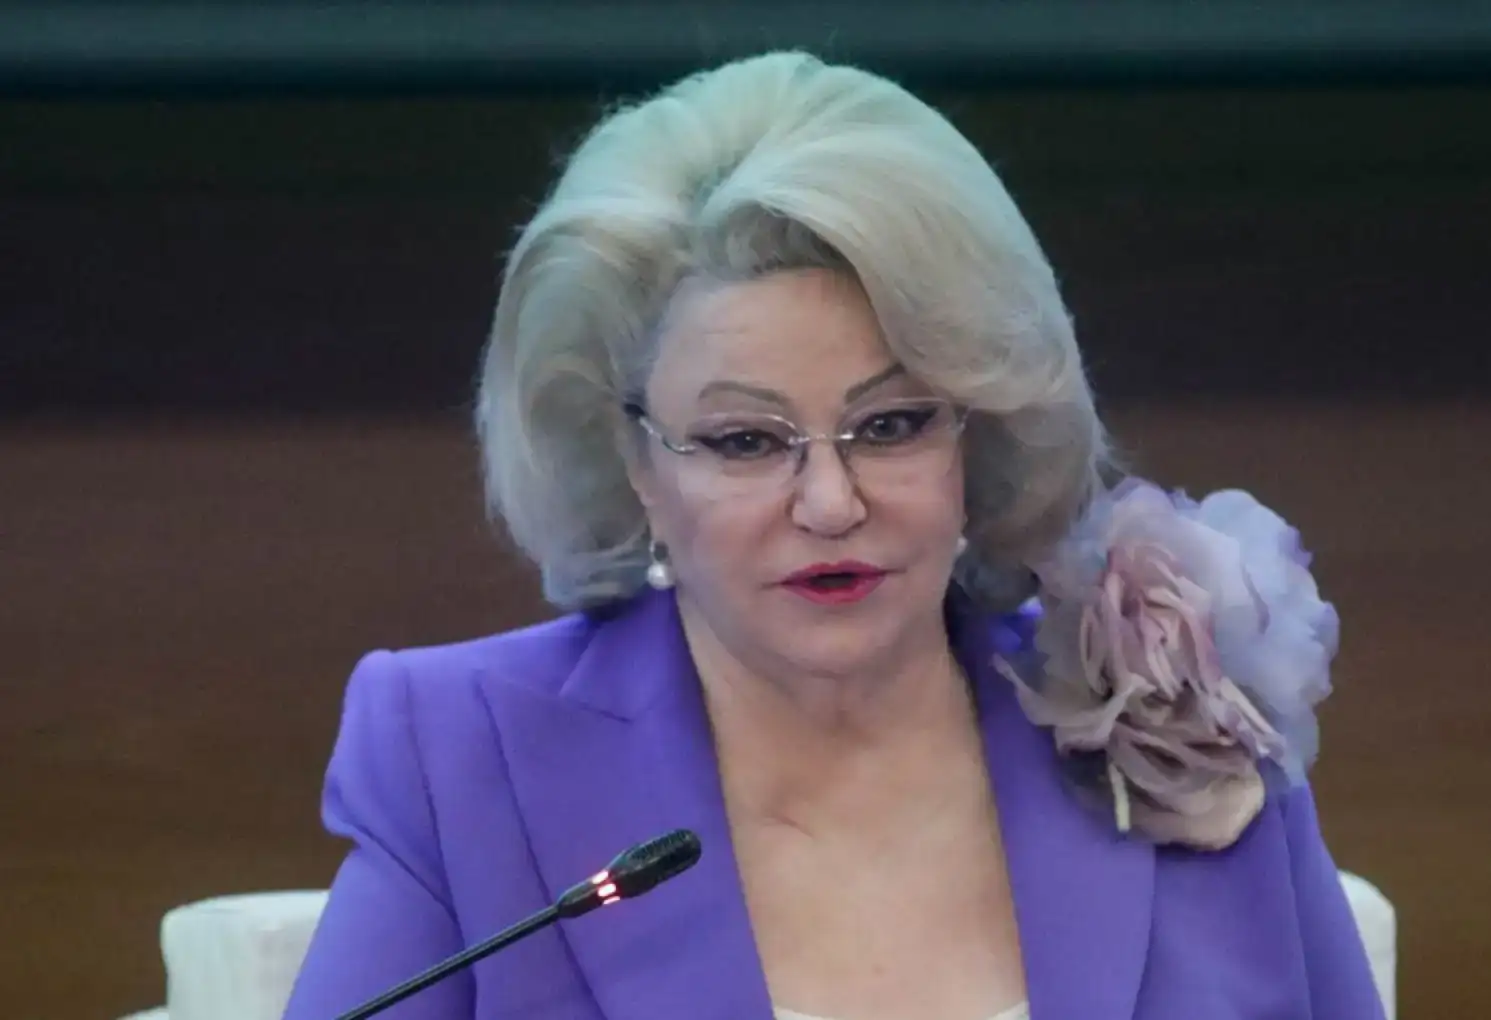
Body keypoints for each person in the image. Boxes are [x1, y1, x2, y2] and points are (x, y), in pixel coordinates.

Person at [283, 51, 1384, 1020]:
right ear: (636, 464)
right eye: (745, 441)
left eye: (891, 425)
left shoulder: (1175, 718)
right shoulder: (465, 760)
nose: (829, 503)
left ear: (977, 430)